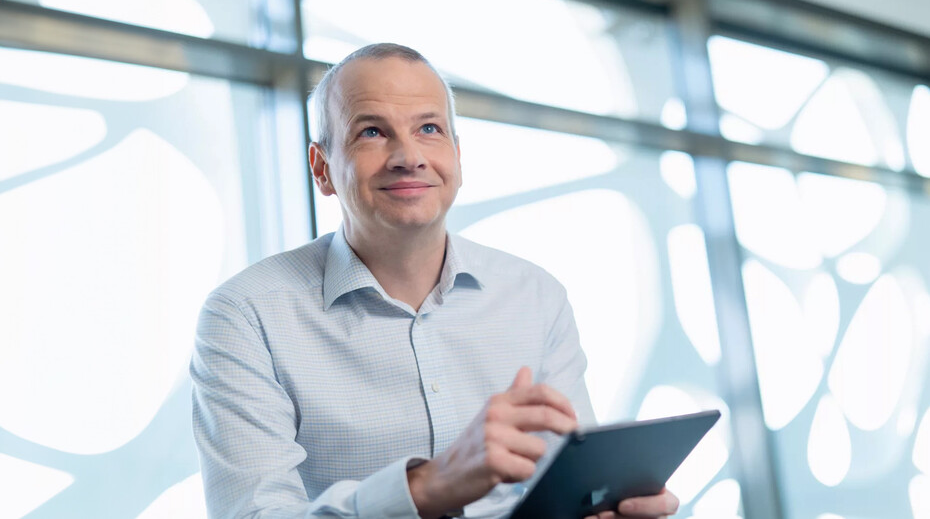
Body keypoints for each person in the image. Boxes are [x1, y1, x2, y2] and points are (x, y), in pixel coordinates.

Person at [191, 43, 679, 519]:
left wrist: (606, 504)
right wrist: (428, 487)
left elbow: (575, 481)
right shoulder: (246, 315)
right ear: (323, 170)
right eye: (372, 132)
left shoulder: (536, 296)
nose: (408, 156)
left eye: (428, 128)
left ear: (458, 158)